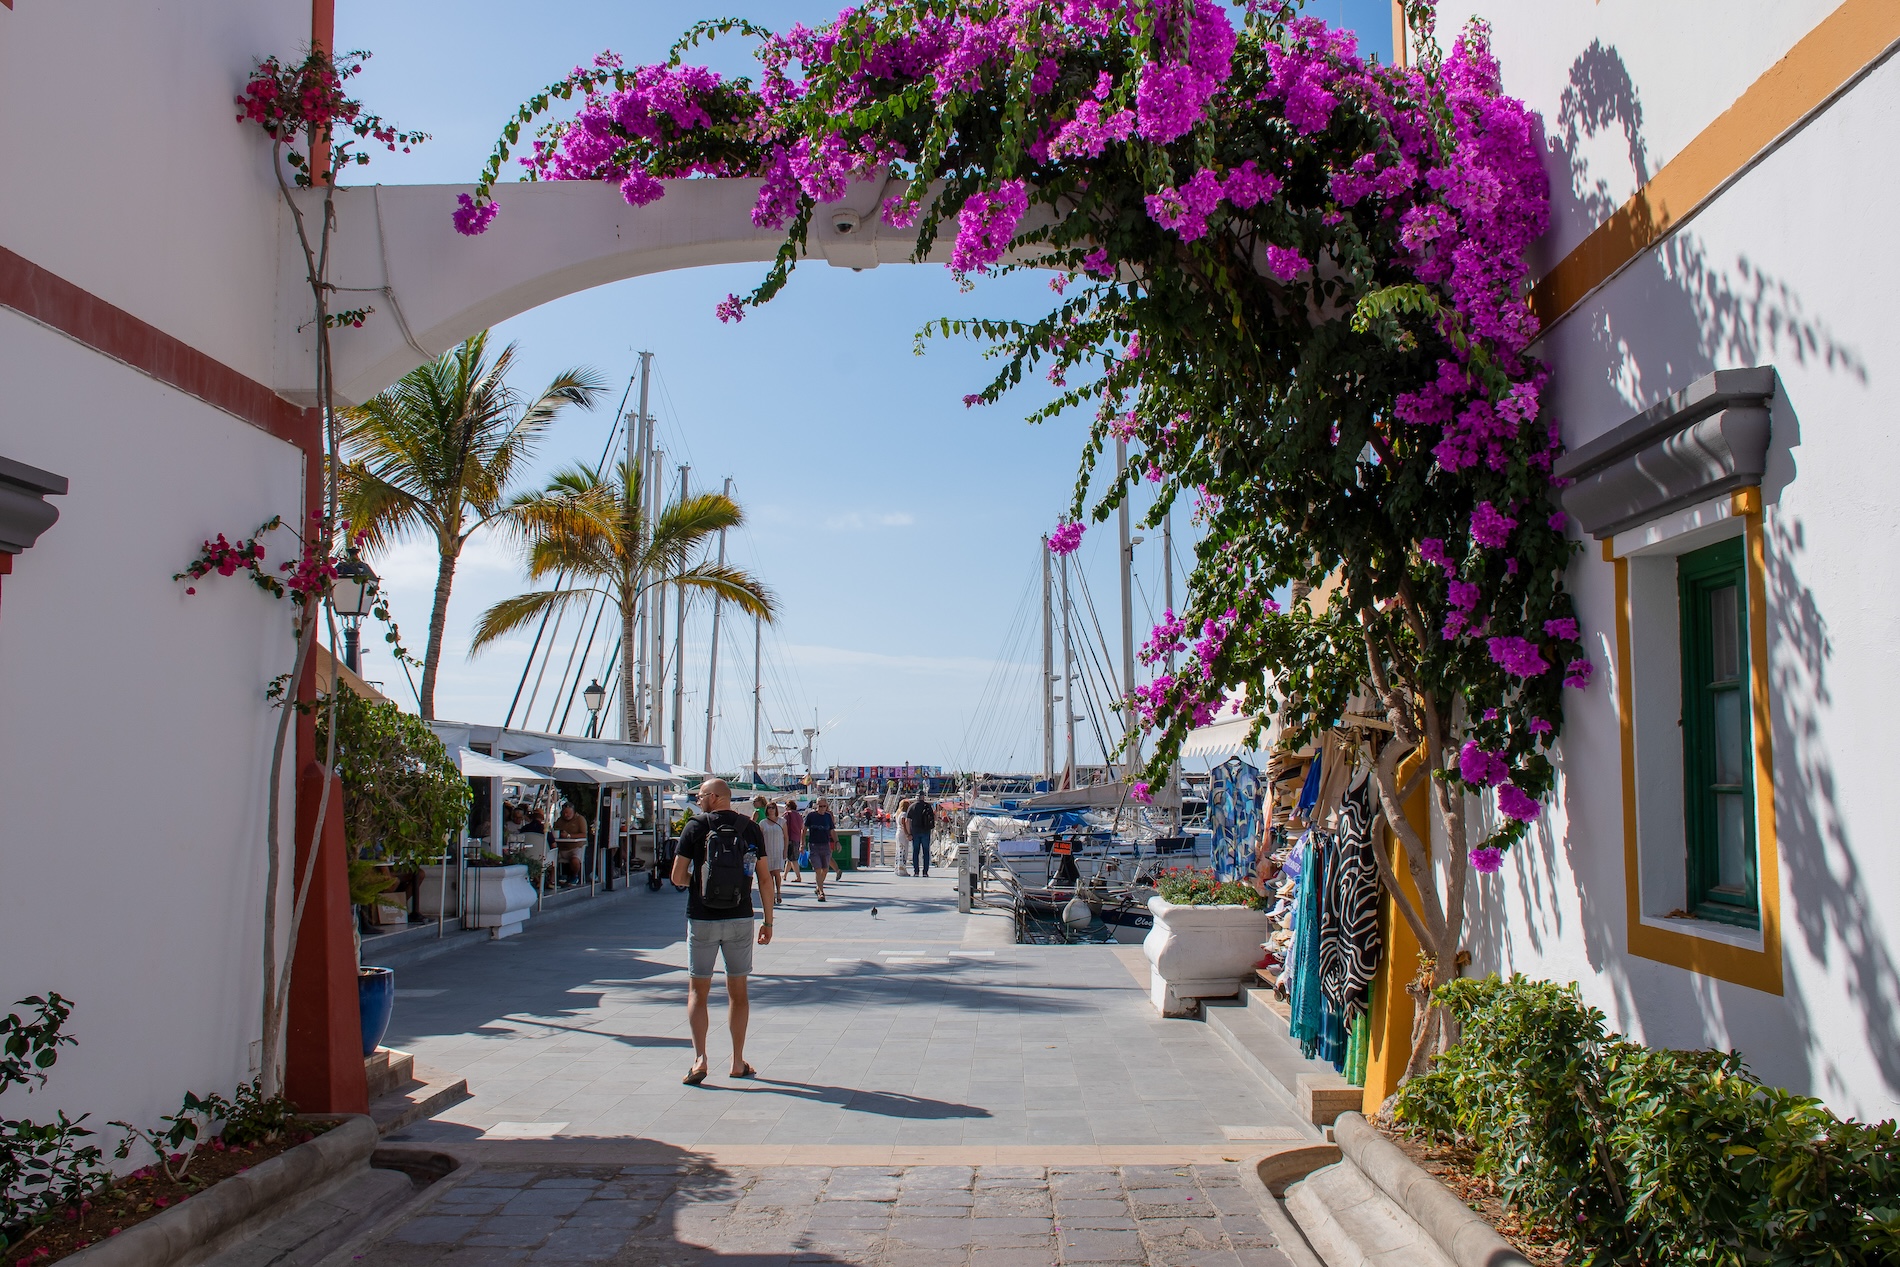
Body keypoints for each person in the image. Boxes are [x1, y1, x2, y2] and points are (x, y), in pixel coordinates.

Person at [670, 779, 775, 1084]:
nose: (698, 800)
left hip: (701, 918)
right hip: (740, 918)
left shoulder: (694, 827)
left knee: (697, 991)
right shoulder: (750, 828)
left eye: (700, 795)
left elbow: (677, 876)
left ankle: (700, 1059)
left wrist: (702, 885)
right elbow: (765, 880)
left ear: (714, 797)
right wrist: (768, 921)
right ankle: (738, 1061)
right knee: (738, 994)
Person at [755, 797, 787, 908]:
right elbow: (759, 838)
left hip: (778, 849)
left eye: (773, 808)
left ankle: (778, 892)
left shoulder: (782, 821)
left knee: (777, 873)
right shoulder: (763, 823)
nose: (771, 810)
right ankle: (771, 895)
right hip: (767, 850)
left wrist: (785, 850)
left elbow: (786, 837)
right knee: (769, 875)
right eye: (769, 808)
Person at [804, 798, 836, 902]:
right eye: (820, 806)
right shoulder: (811, 816)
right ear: (816, 806)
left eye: (824, 806)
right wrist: (801, 843)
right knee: (818, 869)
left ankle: (818, 887)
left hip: (825, 845)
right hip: (814, 845)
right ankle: (821, 892)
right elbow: (803, 829)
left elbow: (832, 830)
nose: (822, 808)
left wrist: (837, 841)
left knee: (825, 869)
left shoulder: (828, 817)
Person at [554, 802, 590, 886]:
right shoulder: (559, 820)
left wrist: (569, 836)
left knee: (574, 860)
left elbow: (584, 834)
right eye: (565, 813)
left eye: (569, 813)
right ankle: (557, 876)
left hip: (576, 847)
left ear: (573, 812)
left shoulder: (580, 819)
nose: (566, 815)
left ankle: (574, 875)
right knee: (549, 857)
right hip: (562, 847)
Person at [905, 796, 937, 877]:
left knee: (915, 852)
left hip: (915, 832)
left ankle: (916, 872)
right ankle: (925, 872)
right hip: (926, 831)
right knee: (926, 852)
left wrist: (908, 833)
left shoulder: (912, 807)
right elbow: (934, 818)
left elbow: (907, 821)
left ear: (916, 797)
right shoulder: (928, 806)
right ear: (923, 797)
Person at [782, 799, 805, 884]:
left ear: (788, 807)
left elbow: (783, 825)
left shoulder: (787, 814)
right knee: (790, 858)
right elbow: (802, 826)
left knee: (793, 859)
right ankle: (784, 875)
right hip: (797, 838)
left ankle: (798, 877)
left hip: (790, 838)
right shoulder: (798, 815)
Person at [893, 798, 912, 876]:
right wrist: (908, 834)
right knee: (903, 851)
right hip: (902, 834)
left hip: (898, 832)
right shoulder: (904, 814)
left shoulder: (898, 813)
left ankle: (897, 868)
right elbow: (904, 825)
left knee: (899, 850)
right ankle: (902, 869)